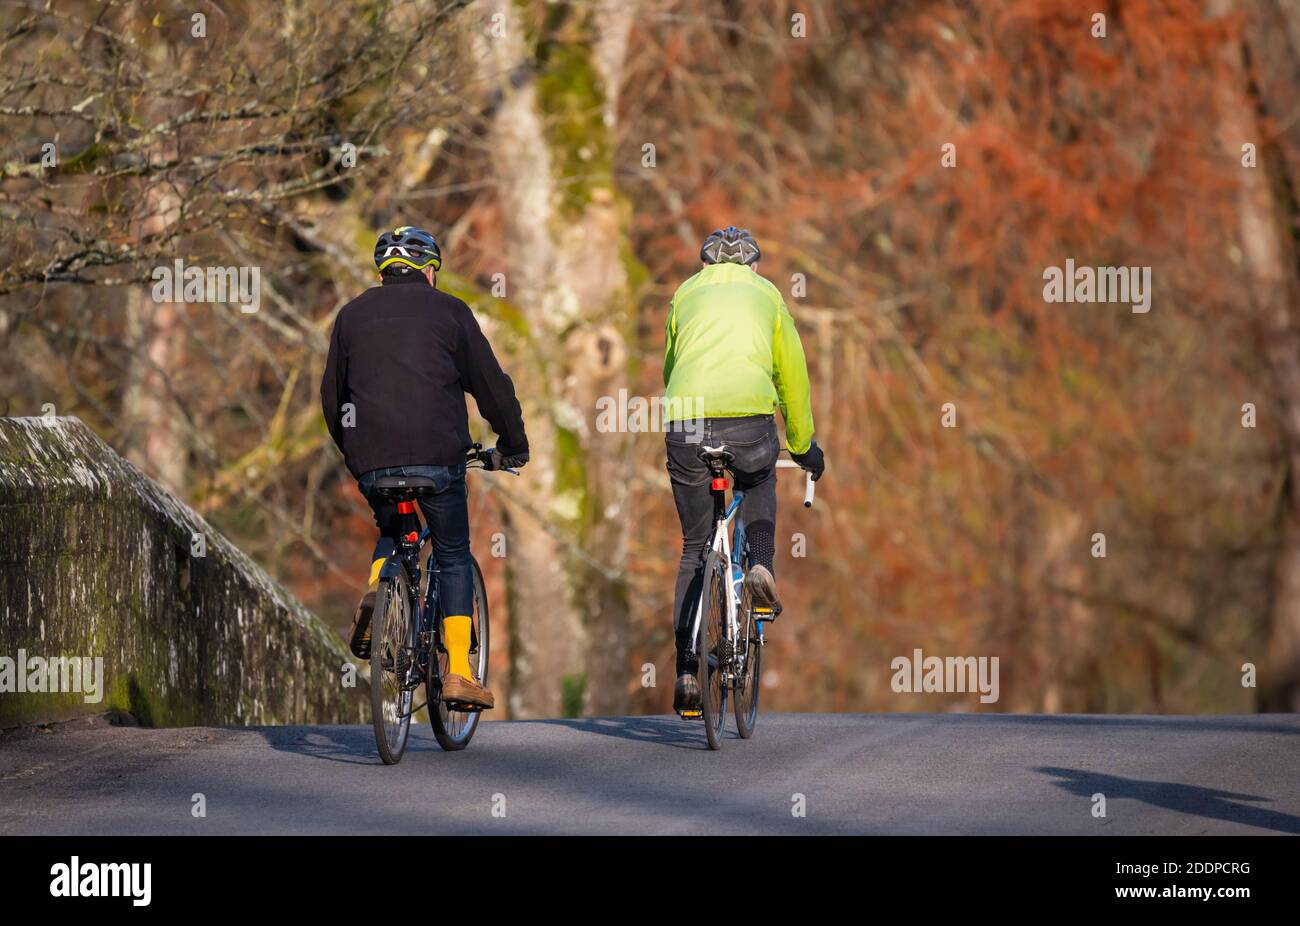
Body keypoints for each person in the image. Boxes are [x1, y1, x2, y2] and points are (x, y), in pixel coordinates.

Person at [320, 226, 528, 709]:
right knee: (453, 553)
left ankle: (379, 589)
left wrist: (356, 451)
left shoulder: (351, 316)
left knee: (393, 527)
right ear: (430, 270)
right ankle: (458, 672)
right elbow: (491, 386)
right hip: (438, 458)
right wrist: (512, 445)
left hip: (373, 460)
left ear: (383, 271)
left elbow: (333, 399)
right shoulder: (450, 311)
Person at [662, 226, 826, 714]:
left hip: (687, 419)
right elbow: (790, 373)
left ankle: (687, 673)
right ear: (752, 266)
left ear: (706, 265)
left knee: (695, 547)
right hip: (749, 421)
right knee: (758, 478)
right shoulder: (768, 294)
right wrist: (802, 445)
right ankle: (759, 567)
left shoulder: (684, 293)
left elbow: (672, 369)